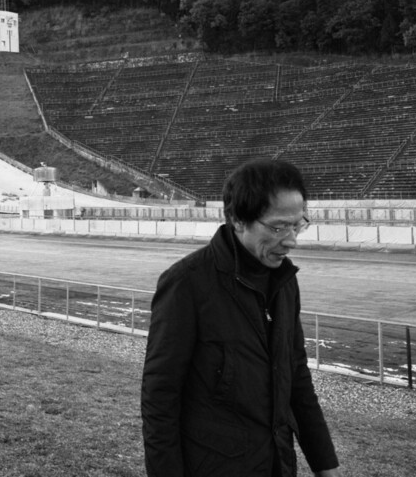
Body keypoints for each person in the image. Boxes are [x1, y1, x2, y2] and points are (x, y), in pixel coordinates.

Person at [141, 158, 342, 477]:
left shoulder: (285, 282)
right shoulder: (186, 284)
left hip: (277, 464)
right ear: (237, 219)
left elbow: (297, 377)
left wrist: (325, 464)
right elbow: (160, 399)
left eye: (298, 224)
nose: (291, 240)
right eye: (278, 227)